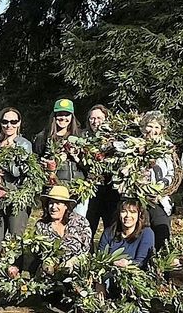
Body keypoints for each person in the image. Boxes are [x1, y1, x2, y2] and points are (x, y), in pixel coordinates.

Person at [0, 107, 33, 289]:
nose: (9, 125)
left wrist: (9, 154)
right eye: (5, 121)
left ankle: (13, 283)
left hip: (16, 199)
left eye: (13, 121)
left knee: (15, 241)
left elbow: (21, 172)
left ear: (19, 123)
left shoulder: (24, 145)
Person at [97, 199, 155, 313]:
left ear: (140, 215)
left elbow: (142, 261)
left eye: (132, 212)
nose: (128, 216)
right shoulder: (109, 233)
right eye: (124, 211)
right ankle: (107, 310)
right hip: (110, 276)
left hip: (134, 278)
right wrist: (99, 283)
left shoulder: (146, 233)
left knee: (134, 282)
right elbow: (99, 260)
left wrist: (128, 264)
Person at [33, 98, 89, 217]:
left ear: (72, 116)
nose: (63, 118)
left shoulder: (81, 136)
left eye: (67, 114)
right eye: (60, 114)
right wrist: (47, 167)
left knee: (77, 224)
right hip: (54, 192)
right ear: (54, 116)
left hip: (78, 191)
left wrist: (76, 156)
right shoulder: (43, 137)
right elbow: (35, 163)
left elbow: (89, 166)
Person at [140, 111, 177, 254]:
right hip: (139, 199)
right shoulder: (135, 146)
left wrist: (159, 188)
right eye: (150, 126)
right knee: (141, 236)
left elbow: (172, 172)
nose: (153, 130)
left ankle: (162, 265)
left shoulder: (167, 147)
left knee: (162, 236)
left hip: (160, 199)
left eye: (157, 127)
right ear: (144, 127)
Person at [83, 104, 119, 246]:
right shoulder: (84, 138)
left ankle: (110, 253)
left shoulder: (115, 139)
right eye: (92, 118)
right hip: (91, 189)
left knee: (111, 225)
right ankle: (86, 252)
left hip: (111, 190)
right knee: (88, 224)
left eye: (99, 118)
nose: (95, 121)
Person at [32, 185, 92, 261]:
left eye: (58, 203)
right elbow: (37, 254)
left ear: (66, 206)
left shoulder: (80, 222)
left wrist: (73, 262)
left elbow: (86, 249)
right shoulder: (41, 225)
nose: (53, 207)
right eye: (51, 203)